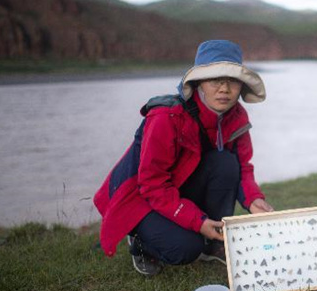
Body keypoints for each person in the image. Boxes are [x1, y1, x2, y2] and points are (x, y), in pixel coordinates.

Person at [94, 40, 273, 276]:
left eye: (232, 80)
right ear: (198, 82)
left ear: (241, 86)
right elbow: (152, 185)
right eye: (214, 80)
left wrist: (253, 200)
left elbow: (243, 167)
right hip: (141, 197)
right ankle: (140, 242)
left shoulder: (237, 116)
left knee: (227, 163)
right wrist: (196, 221)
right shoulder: (166, 116)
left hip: (177, 189)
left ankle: (213, 241)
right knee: (185, 248)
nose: (224, 89)